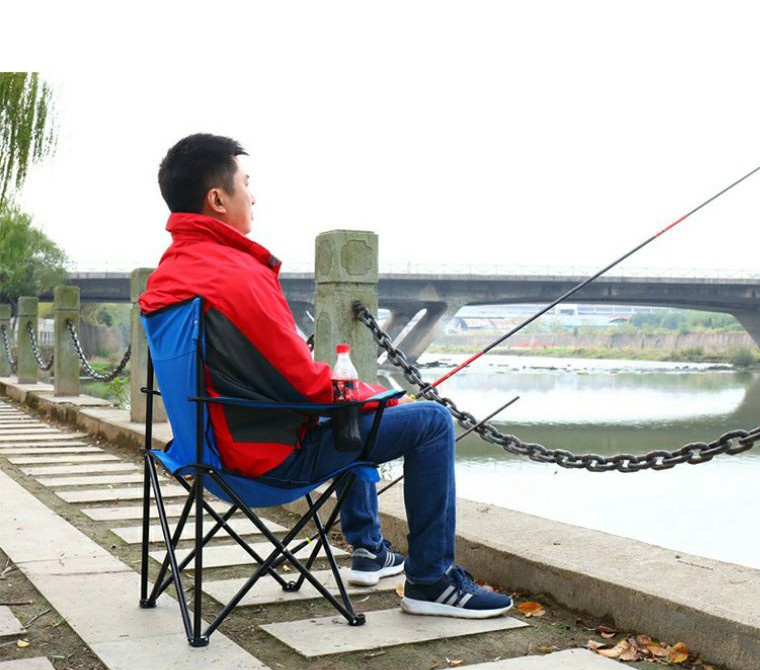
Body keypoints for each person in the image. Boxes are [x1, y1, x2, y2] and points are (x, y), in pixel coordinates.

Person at [140, 133, 513, 619]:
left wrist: (361, 401)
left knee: (349, 415)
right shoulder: (236, 276)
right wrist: (382, 398)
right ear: (217, 199)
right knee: (428, 422)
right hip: (262, 464)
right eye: (246, 184)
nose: (253, 196)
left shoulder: (169, 276)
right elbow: (308, 385)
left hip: (202, 454)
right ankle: (431, 582)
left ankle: (371, 549)